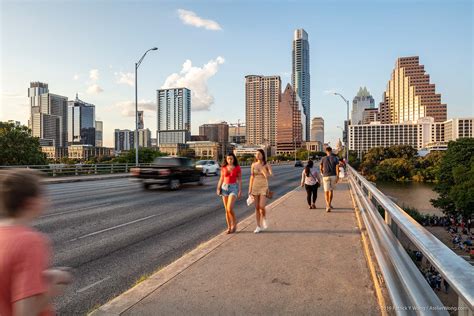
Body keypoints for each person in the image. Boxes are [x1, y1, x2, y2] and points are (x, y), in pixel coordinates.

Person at [0, 169, 72, 316]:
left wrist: (42, 276)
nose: (48, 199)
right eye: (43, 194)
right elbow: (24, 313)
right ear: (30, 202)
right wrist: (52, 288)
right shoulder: (30, 241)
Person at [216, 153, 242, 234]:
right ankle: (229, 227)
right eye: (228, 159)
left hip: (233, 188)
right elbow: (221, 178)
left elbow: (240, 180)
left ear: (234, 159)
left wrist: (240, 190)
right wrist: (218, 188)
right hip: (224, 188)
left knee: (229, 208)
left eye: (231, 159)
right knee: (226, 210)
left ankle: (234, 222)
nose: (230, 160)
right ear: (226, 160)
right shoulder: (223, 168)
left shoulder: (237, 168)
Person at [249, 149, 272, 233]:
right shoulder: (253, 165)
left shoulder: (266, 164)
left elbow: (272, 174)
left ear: (262, 155)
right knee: (257, 208)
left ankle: (264, 218)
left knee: (262, 206)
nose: (257, 155)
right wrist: (250, 189)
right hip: (255, 186)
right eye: (256, 154)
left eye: (259, 154)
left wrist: (265, 172)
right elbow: (252, 177)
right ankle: (258, 226)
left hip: (264, 186)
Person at [320, 146, 339, 212]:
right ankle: (329, 204)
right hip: (333, 176)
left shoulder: (323, 158)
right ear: (331, 151)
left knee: (326, 191)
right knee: (331, 191)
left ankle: (327, 206)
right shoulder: (335, 158)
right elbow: (337, 167)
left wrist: (322, 172)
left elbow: (321, 167)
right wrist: (338, 176)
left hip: (325, 176)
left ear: (326, 151)